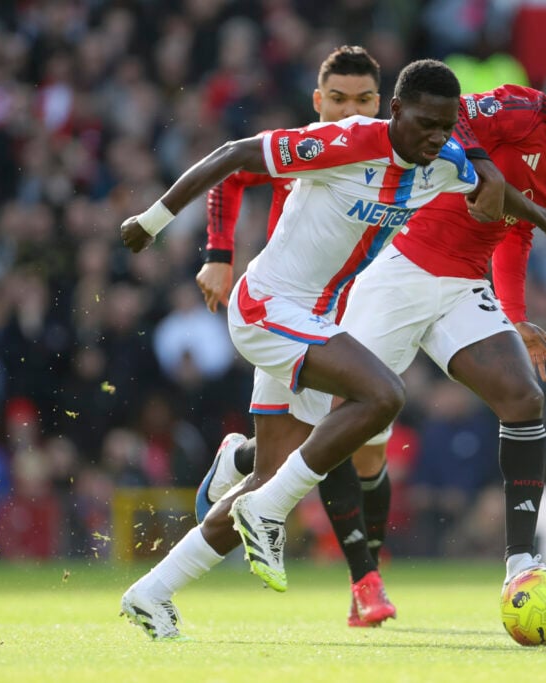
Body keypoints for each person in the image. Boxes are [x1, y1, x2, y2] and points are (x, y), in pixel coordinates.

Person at [205, 55, 546, 592]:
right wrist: (488, 171)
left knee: (524, 398)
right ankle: (244, 461)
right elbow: (454, 117)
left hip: (463, 285)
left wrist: (516, 316)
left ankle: (521, 563)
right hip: (400, 269)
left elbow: (515, 233)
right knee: (343, 431)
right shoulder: (520, 107)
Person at [118, 58, 503, 641]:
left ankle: (152, 591)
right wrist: (153, 221)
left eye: (444, 127)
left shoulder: (440, 163)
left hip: (313, 321)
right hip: (267, 308)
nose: (436, 135)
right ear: (395, 110)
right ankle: (268, 508)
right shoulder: (341, 142)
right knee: (383, 395)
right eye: (426, 123)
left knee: (270, 474)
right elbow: (232, 158)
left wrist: (542, 213)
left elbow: (490, 182)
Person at [193, 45, 399, 629]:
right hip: (293, 310)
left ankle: (239, 457)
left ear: (380, 103)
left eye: (363, 100)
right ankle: (365, 581)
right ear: (317, 100)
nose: (349, 111)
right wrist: (219, 254)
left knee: (367, 447)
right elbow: (231, 171)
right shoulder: (304, 147)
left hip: (362, 306)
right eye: (337, 99)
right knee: (337, 433)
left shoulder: (397, 155)